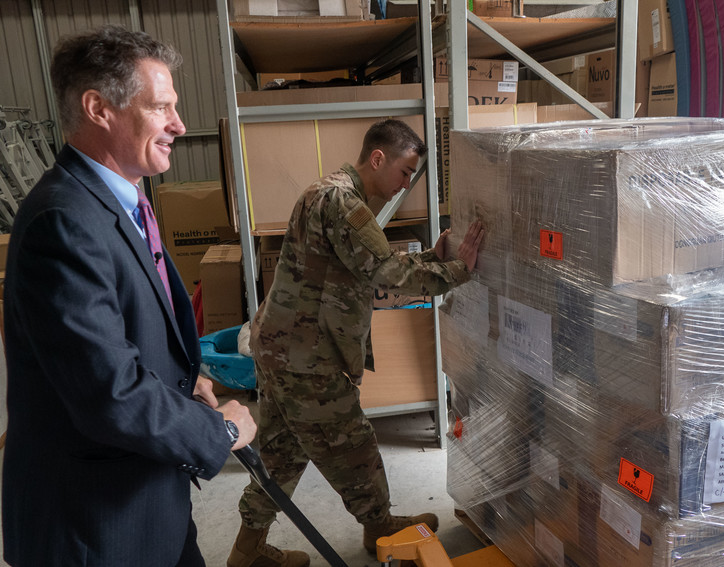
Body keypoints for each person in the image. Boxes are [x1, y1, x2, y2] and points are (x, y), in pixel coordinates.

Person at [2, 25, 258, 567]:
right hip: (94, 524)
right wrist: (222, 429)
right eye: (160, 107)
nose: (179, 125)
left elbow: (130, 332)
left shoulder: (122, 201)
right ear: (99, 108)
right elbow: (108, 393)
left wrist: (190, 386)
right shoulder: (63, 222)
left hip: (147, 499)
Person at [227, 119, 484, 567]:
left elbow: (361, 266)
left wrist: (431, 257)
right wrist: (457, 270)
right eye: (405, 172)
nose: (406, 184)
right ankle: (378, 525)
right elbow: (385, 272)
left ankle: (247, 551)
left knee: (283, 454)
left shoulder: (329, 193)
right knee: (354, 445)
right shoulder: (344, 202)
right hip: (306, 358)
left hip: (284, 350)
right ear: (378, 158)